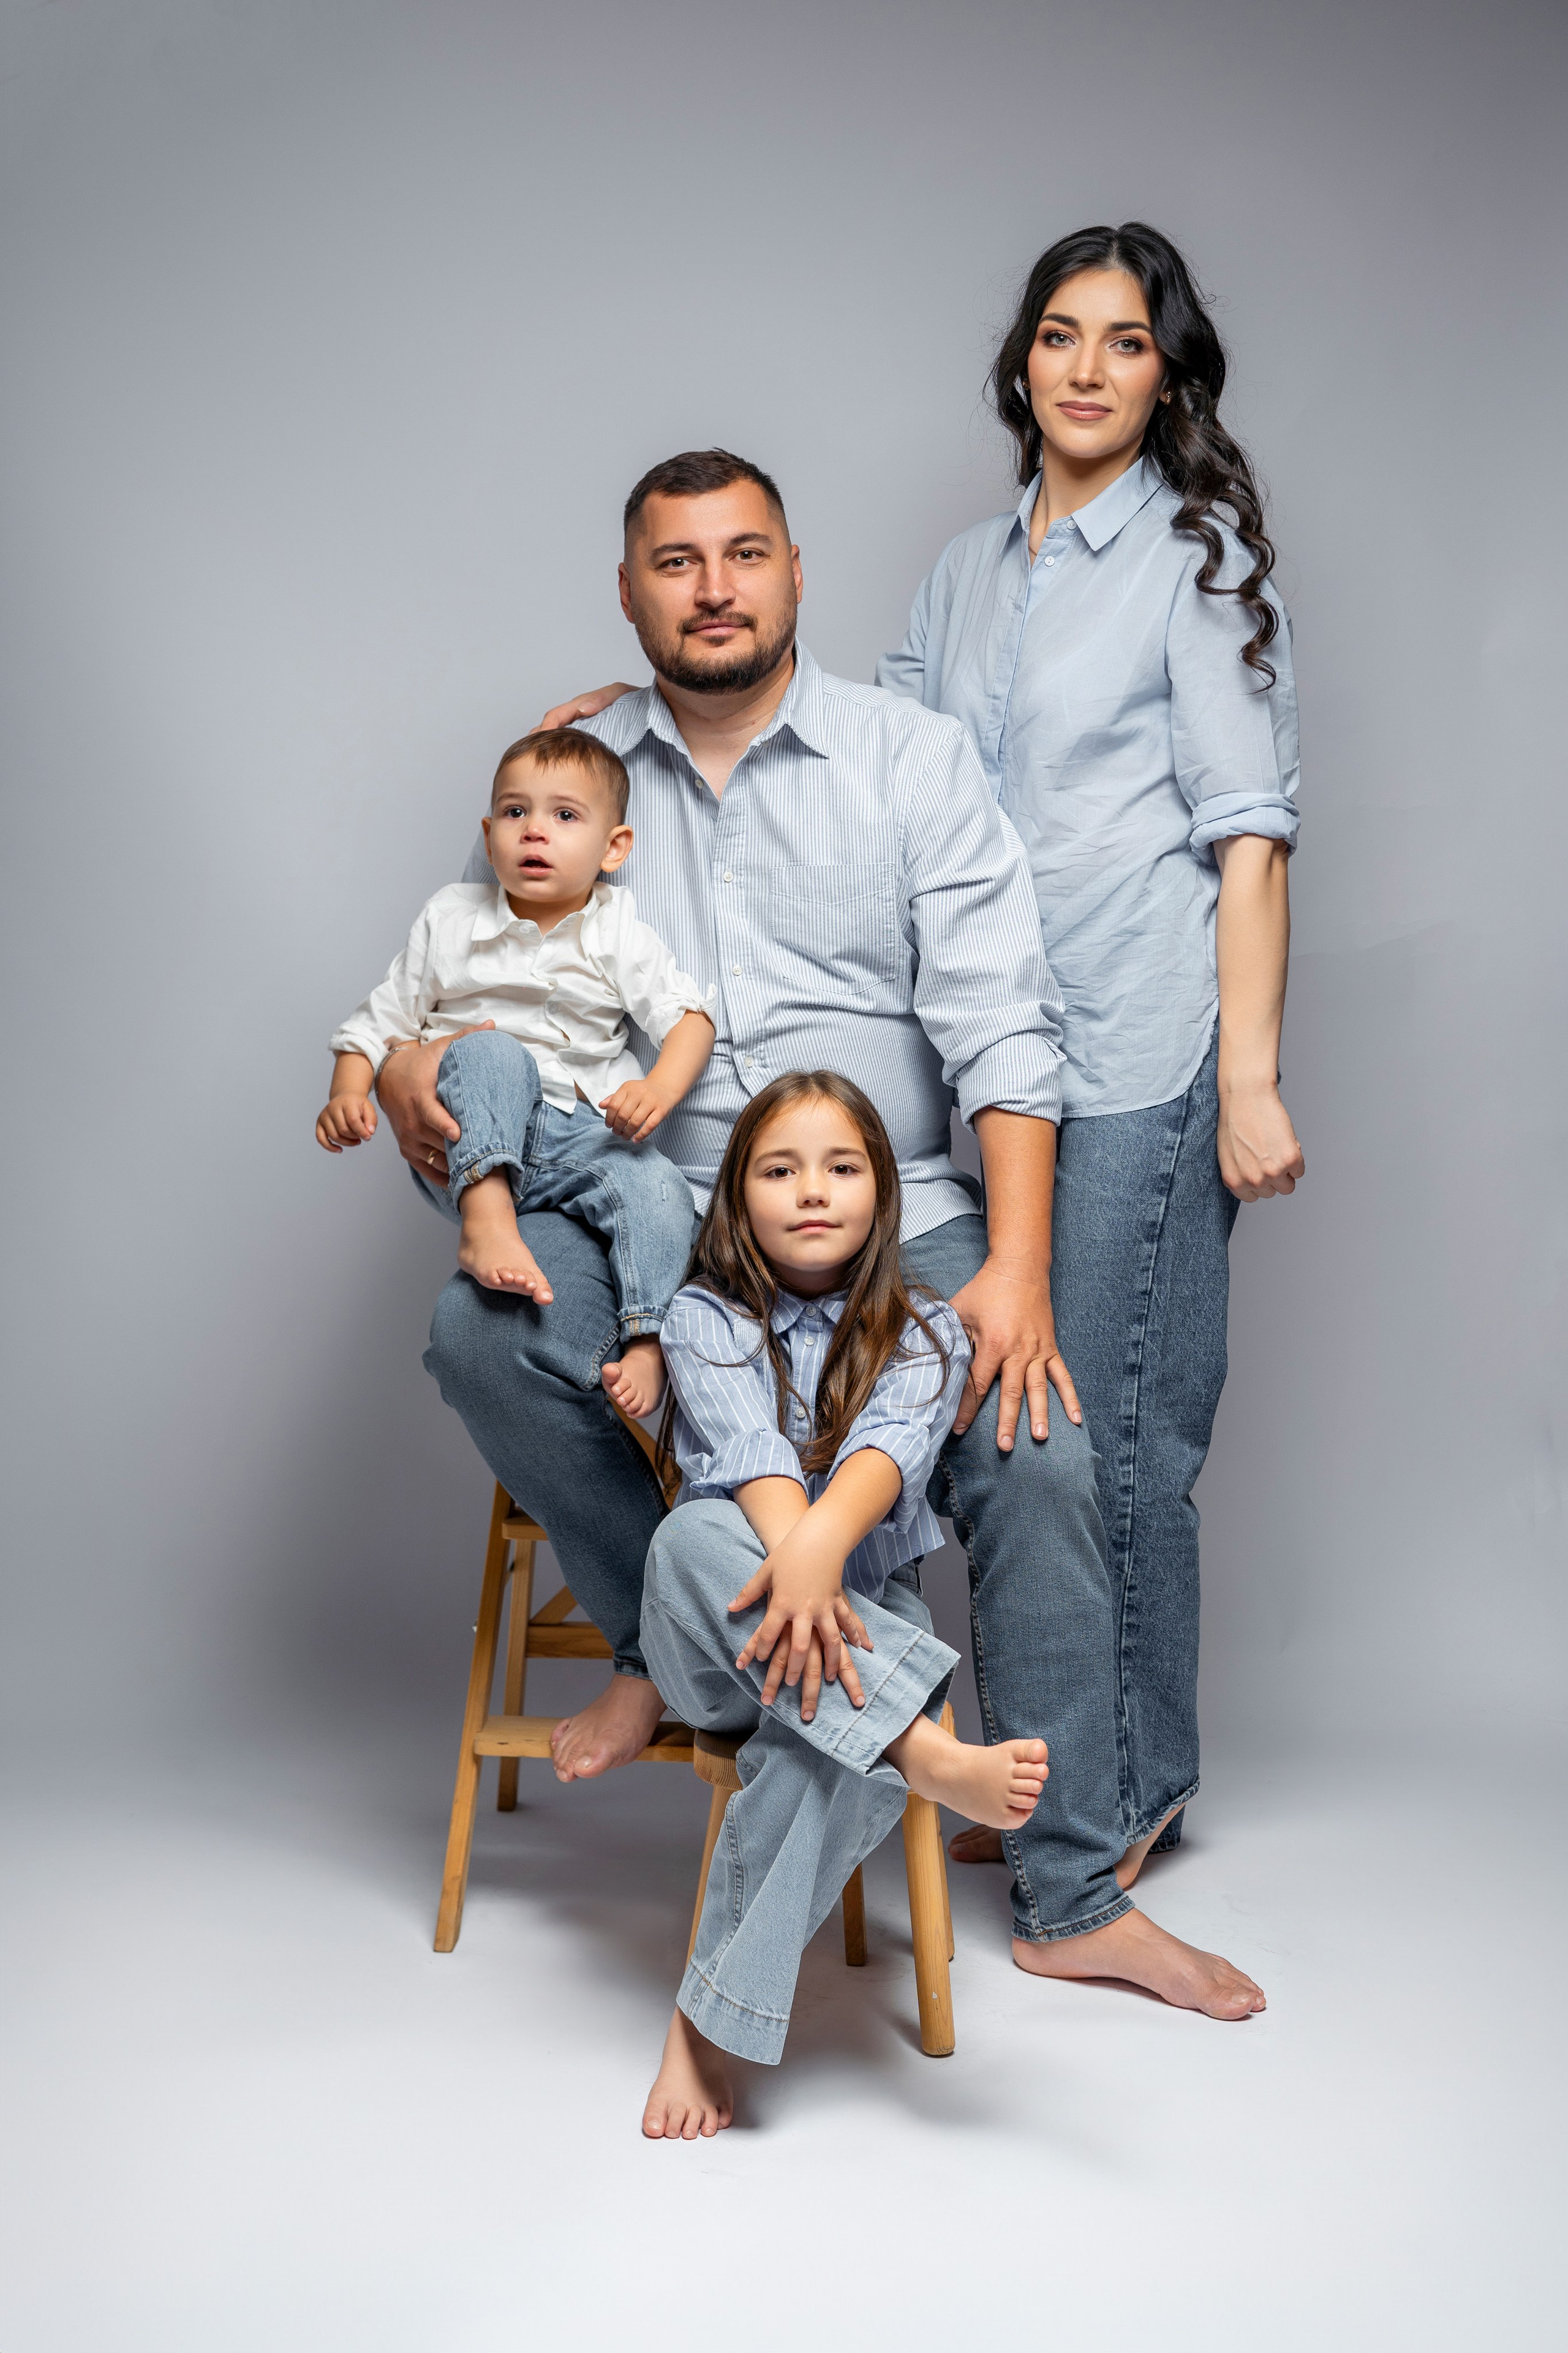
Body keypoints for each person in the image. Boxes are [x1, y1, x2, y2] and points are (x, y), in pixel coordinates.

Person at [384, 446, 1264, 2017]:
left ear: (795, 571)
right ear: (628, 587)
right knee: (476, 1335)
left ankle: (1067, 1893)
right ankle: (698, 1651)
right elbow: (469, 1002)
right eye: (675, 561)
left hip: (893, 1205)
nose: (711, 588)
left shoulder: (907, 757)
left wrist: (1006, 1264)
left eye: (741, 555)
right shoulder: (574, 765)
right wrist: (404, 1077)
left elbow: (1004, 1026)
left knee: (1035, 1441)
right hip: (646, 1197)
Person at [876, 222, 1305, 1879]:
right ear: (1023, 357)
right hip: (992, 1072)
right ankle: (1075, 1777)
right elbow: (879, 763)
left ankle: (1127, 1793)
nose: (1086, 368)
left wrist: (1251, 1081)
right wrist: (640, 716)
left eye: (1126, 343)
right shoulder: (965, 573)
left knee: (1126, 1437)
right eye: (1062, 334)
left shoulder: (1194, 559)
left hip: (1137, 1050)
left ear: (1167, 373)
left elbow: (1251, 838)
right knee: (1022, 1432)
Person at [641, 1070, 1049, 2138]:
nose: (812, 1190)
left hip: (863, 1635)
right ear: (737, 1196)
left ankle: (701, 2028)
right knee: (692, 1534)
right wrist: (807, 1557)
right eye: (780, 1169)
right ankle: (916, 1747)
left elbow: (884, 1456)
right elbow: (755, 1457)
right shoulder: (702, 1314)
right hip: (724, 1643)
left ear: (882, 1195)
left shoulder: (924, 1328)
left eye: (841, 1167)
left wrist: (825, 1555)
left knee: (823, 1745)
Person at [317, 726, 715, 1416]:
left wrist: (657, 1088)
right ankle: (487, 1215)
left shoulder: (615, 927)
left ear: (613, 848)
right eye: (514, 812)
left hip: (578, 1136)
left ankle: (648, 1338)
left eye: (564, 816)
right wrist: (349, 1089)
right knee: (492, 1048)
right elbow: (380, 1020)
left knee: (656, 1188)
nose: (535, 832)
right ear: (489, 830)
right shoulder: (451, 916)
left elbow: (688, 1018)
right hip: (469, 1137)